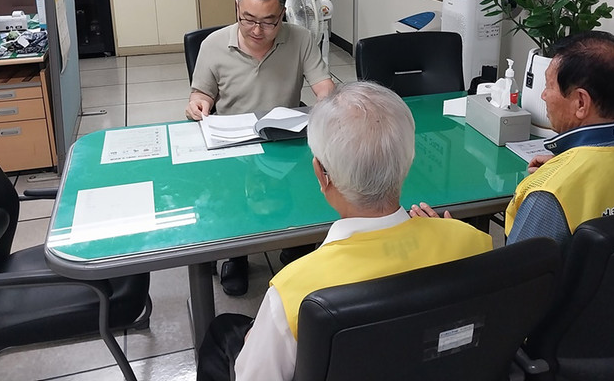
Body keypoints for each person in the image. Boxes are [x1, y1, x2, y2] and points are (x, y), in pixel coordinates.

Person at [196, 82, 492, 381]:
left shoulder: (294, 291)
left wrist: (256, 341)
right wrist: (448, 232)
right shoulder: (474, 242)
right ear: (409, 160)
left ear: (320, 174)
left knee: (224, 329)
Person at [411, 31, 614, 251]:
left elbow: (512, 283)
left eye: (549, 86)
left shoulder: (549, 193)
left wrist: (451, 242)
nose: (543, 96)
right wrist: (564, 166)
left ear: (580, 102)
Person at [186, 0, 335, 295]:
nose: (257, 30)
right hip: (234, 144)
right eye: (248, 19)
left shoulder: (300, 39)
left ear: (283, 13)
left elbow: (324, 86)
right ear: (237, 7)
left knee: (309, 184)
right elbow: (201, 94)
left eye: (269, 22)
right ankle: (236, 256)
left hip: (284, 139)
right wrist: (198, 104)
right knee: (232, 196)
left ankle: (296, 245)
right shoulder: (213, 44)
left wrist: (329, 103)